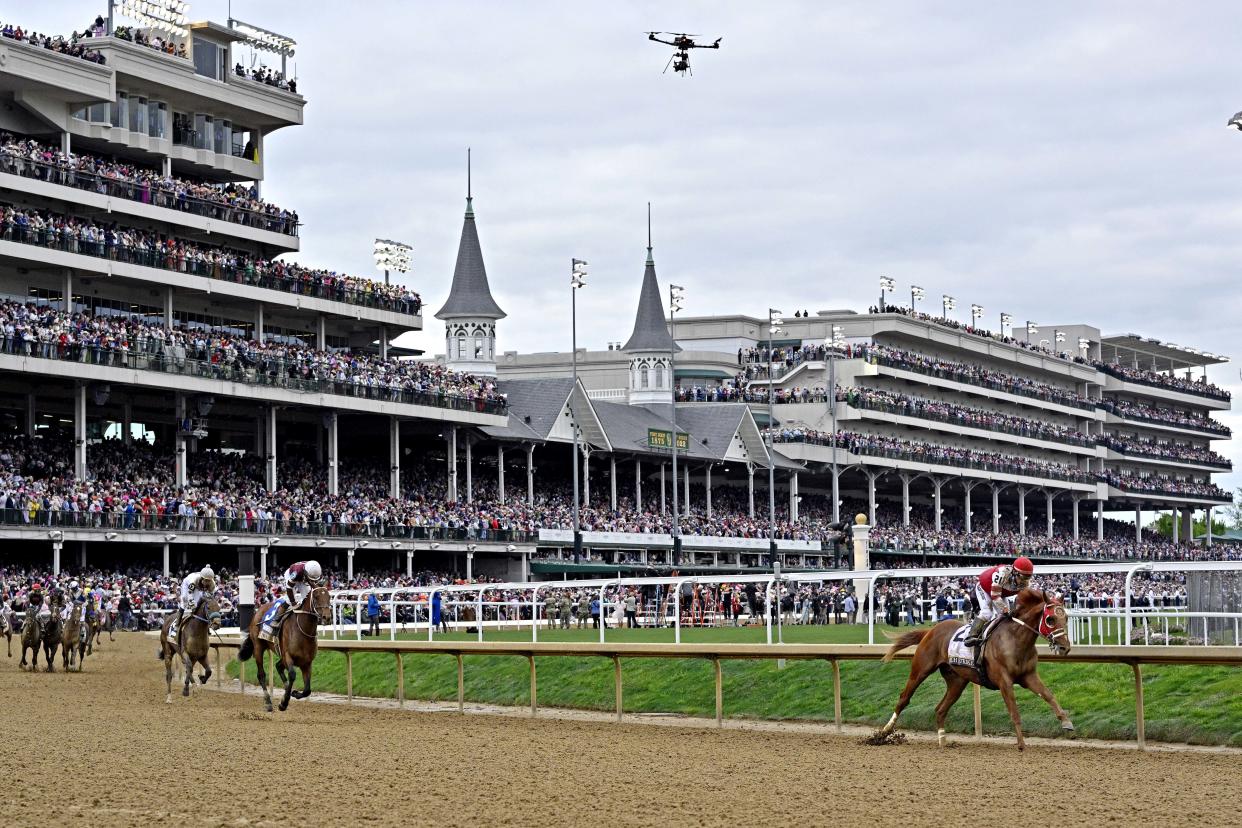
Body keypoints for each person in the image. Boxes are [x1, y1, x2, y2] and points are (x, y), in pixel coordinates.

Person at [963, 556, 1034, 646]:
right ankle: (971, 635)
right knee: (987, 613)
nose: (1024, 581)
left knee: (1006, 617)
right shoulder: (1001, 573)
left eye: (1027, 578)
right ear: (1014, 572)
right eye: (1022, 577)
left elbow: (1024, 600)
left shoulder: (1025, 582)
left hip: (1001, 593)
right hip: (985, 588)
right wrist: (1005, 609)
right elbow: (995, 596)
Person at [260, 560, 321, 642]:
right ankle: (276, 620)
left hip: (303, 578)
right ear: (306, 572)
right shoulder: (296, 573)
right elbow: (289, 589)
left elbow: (315, 587)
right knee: (289, 600)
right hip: (291, 575)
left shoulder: (316, 572)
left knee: (307, 599)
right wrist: (294, 603)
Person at [175, 566, 217, 642]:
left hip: (199, 589)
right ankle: (177, 624)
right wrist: (191, 603)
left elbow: (209, 598)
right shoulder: (194, 580)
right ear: (202, 578)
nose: (207, 583)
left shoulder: (212, 585)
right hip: (187, 586)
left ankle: (206, 627)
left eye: (209, 581)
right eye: (206, 580)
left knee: (201, 604)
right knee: (184, 600)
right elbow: (190, 593)